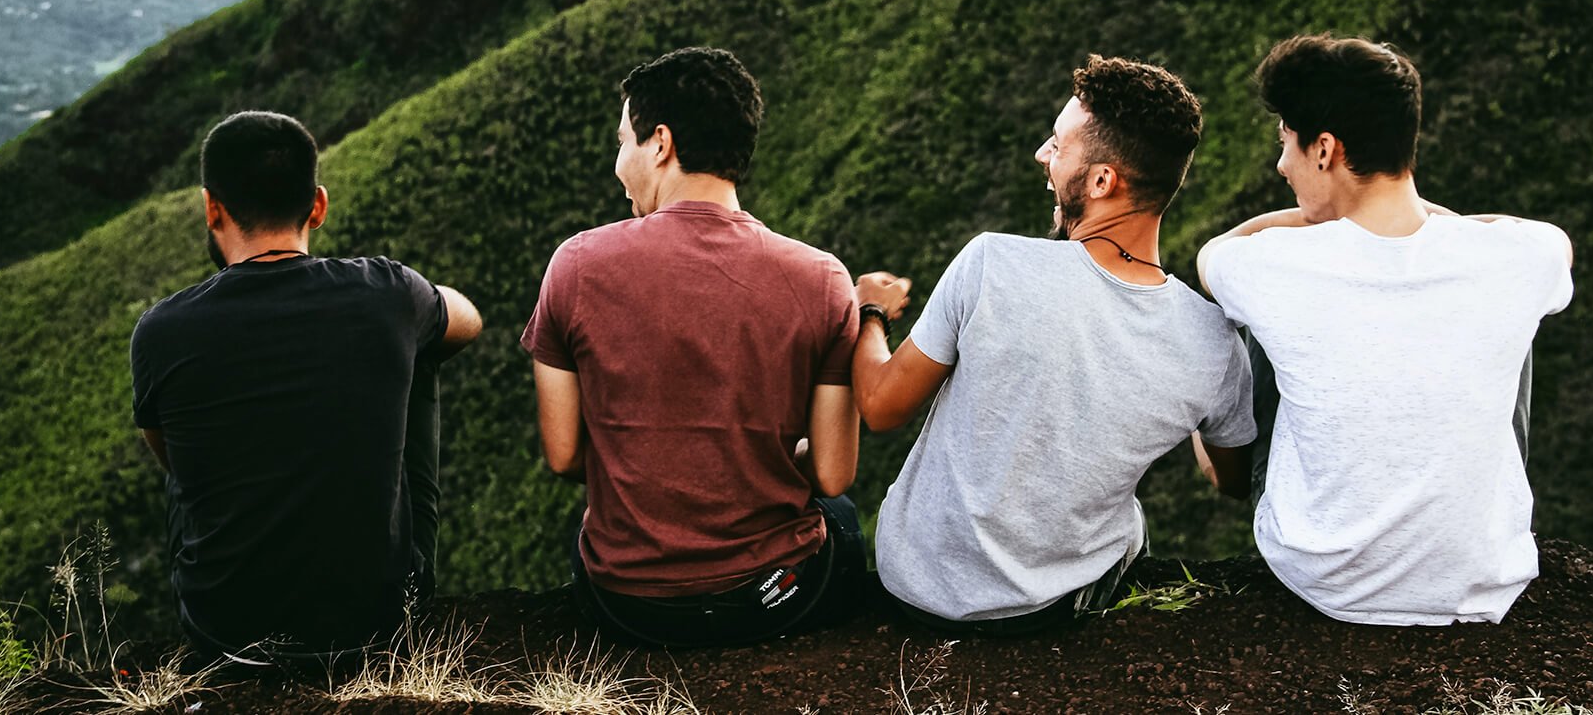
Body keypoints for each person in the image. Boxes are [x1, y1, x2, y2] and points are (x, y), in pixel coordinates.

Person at [854, 54, 1258, 635]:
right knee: (1131, 523)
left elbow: (880, 406)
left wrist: (870, 312)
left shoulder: (991, 262)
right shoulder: (1214, 342)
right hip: (1051, 610)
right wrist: (1187, 399)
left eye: (1057, 144)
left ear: (1101, 181)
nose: (1042, 155)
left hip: (915, 588)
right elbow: (1230, 481)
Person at [1196, 34, 1575, 626]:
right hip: (1479, 579)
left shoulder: (1273, 263)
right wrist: (1432, 222)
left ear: (1324, 149)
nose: (1280, 166)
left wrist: (1311, 219)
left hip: (1324, 576)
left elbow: (1214, 255)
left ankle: (1234, 481)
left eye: (1286, 145)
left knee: (1254, 322)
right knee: (1508, 315)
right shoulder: (1518, 258)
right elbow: (1551, 240)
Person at [523, 47, 866, 648]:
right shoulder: (824, 278)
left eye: (623, 142)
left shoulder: (576, 265)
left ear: (660, 143)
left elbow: (564, 455)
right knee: (840, 518)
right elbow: (833, 473)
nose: (616, 164)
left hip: (627, 605)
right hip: (773, 599)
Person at [130, 111, 483, 663]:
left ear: (211, 207)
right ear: (318, 205)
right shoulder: (387, 292)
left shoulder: (160, 330)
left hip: (223, 628)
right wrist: (407, 310)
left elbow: (175, 463)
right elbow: (469, 320)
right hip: (376, 620)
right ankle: (406, 583)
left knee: (189, 443)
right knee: (422, 349)